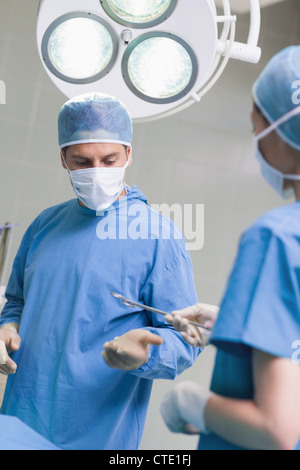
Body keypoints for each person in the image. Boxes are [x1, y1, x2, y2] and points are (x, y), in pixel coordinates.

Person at [0, 92, 200, 450]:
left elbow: (186, 339)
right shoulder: (45, 225)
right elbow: (16, 300)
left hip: (101, 436)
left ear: (129, 155)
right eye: (82, 161)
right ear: (63, 158)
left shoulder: (158, 237)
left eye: (109, 160)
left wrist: (145, 354)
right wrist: (6, 328)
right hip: (20, 423)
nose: (97, 172)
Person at [160, 46, 300, 450]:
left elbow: (277, 431)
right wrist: (242, 329)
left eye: (258, 126)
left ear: (283, 131)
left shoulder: (278, 237)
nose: (255, 140)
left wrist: (191, 403)